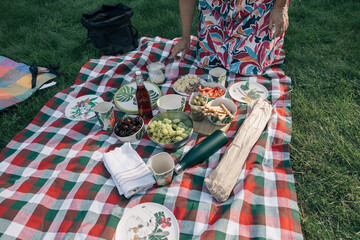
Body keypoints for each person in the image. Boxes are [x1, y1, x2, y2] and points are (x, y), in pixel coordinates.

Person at [171, 0, 289, 76]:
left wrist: (280, 7)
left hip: (255, 7)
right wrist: (185, 38)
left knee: (249, 68)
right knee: (208, 62)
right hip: (215, 8)